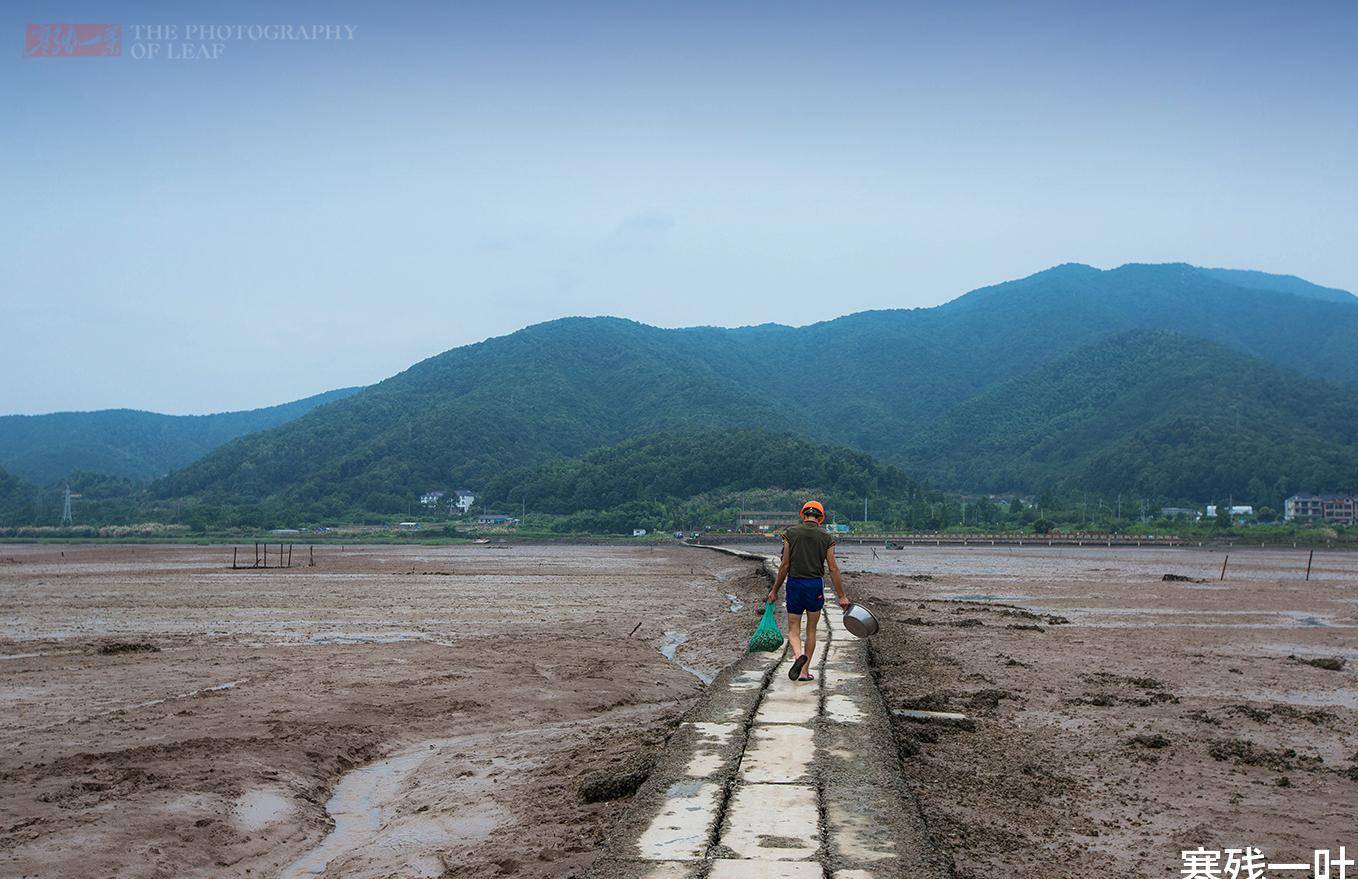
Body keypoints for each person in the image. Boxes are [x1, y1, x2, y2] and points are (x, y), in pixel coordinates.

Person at [767, 500, 850, 682]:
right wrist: (842, 596)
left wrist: (774, 590)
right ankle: (804, 672)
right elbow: (833, 569)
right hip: (814, 586)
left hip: (795, 584)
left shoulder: (791, 533)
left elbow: (785, 565)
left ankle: (797, 656)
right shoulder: (826, 538)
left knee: (793, 628)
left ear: (803, 515)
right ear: (820, 518)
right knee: (811, 629)